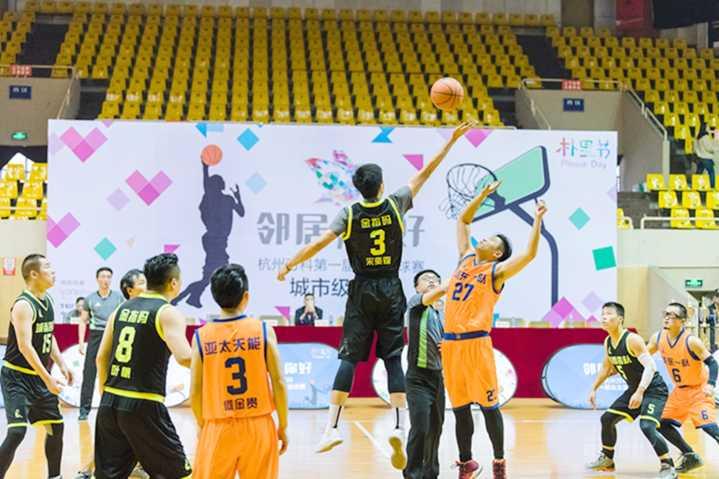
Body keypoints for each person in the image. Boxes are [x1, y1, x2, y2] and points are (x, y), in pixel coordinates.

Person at [278, 120, 475, 467]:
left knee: (349, 359)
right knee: (393, 359)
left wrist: (290, 265)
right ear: (382, 185)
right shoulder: (396, 203)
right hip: (392, 287)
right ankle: (399, 424)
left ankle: (332, 427)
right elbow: (427, 171)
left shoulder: (349, 213)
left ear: (358, 189)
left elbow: (320, 241)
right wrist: (452, 141)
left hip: (363, 289)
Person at [443, 180, 546, 479]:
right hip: (451, 345)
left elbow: (529, 255)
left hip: (476, 344)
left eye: (490, 240)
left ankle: (499, 462)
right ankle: (467, 463)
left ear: (497, 253)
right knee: (460, 409)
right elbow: (463, 220)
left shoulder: (495, 271)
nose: (483, 240)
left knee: (489, 407)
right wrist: (482, 196)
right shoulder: (465, 258)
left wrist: (537, 220)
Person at [94, 253, 193, 479]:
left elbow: (100, 358)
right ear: (174, 283)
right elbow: (185, 358)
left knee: (108, 475)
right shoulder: (167, 312)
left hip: (110, 401)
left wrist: (105, 394)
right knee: (179, 473)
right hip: (144, 405)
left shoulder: (120, 309)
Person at [191, 264, 289, 479]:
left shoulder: (201, 336)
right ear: (246, 296)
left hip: (218, 425)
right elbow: (279, 382)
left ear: (215, 297)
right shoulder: (263, 330)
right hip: (258, 424)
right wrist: (283, 425)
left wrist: (202, 425)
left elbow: (195, 391)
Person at [0, 254, 73, 479]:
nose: (53, 271)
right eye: (48, 267)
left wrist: (61, 364)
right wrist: (48, 379)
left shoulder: (48, 300)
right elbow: (25, 347)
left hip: (37, 377)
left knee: (56, 426)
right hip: (17, 377)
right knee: (17, 432)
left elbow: (48, 336)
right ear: (33, 274)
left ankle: (55, 477)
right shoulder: (23, 305)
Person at [587, 302, 676, 479]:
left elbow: (651, 367)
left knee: (647, 426)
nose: (603, 317)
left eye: (609, 314)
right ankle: (608, 459)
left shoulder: (632, 339)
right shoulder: (608, 342)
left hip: (654, 390)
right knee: (607, 419)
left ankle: (668, 466)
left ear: (620, 319)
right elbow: (606, 369)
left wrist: (640, 392)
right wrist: (593, 389)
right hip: (635, 389)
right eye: (602, 313)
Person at [75, 268, 150, 479]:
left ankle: (90, 470)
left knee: (117, 429)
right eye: (142, 282)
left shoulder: (121, 304)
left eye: (109, 276)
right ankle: (84, 411)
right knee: (117, 427)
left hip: (123, 384)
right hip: (122, 380)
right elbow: (99, 357)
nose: (146, 286)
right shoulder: (96, 301)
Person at [647, 302, 719, 473]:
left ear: (683, 321)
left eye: (672, 316)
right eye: (666, 314)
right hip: (679, 391)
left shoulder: (691, 341)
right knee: (661, 424)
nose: (667, 318)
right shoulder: (658, 338)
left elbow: (712, 363)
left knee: (709, 427)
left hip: (698, 390)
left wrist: (710, 384)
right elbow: (643, 354)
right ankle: (690, 455)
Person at [174, 162, 244, 308]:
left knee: (208, 277)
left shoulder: (228, 199)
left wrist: (238, 196)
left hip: (220, 240)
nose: (221, 184)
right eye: (219, 182)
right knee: (216, 274)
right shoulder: (211, 197)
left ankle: (189, 298)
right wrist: (205, 167)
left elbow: (241, 213)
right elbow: (206, 183)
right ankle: (185, 298)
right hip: (213, 240)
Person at [404, 269, 447, 479]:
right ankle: (412, 474)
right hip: (417, 378)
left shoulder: (443, 313)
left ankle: (431, 474)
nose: (432, 281)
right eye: (427, 279)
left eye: (436, 279)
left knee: (436, 430)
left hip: (438, 379)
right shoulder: (415, 305)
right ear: (417, 288)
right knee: (420, 428)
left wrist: (449, 344)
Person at [79, 266, 124, 420]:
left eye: (108, 277)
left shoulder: (119, 297)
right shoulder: (90, 298)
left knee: (114, 372)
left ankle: (112, 409)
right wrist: (80, 343)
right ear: (97, 279)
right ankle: (84, 410)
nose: (106, 280)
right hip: (96, 336)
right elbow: (83, 321)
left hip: (113, 334)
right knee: (89, 372)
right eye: (103, 276)